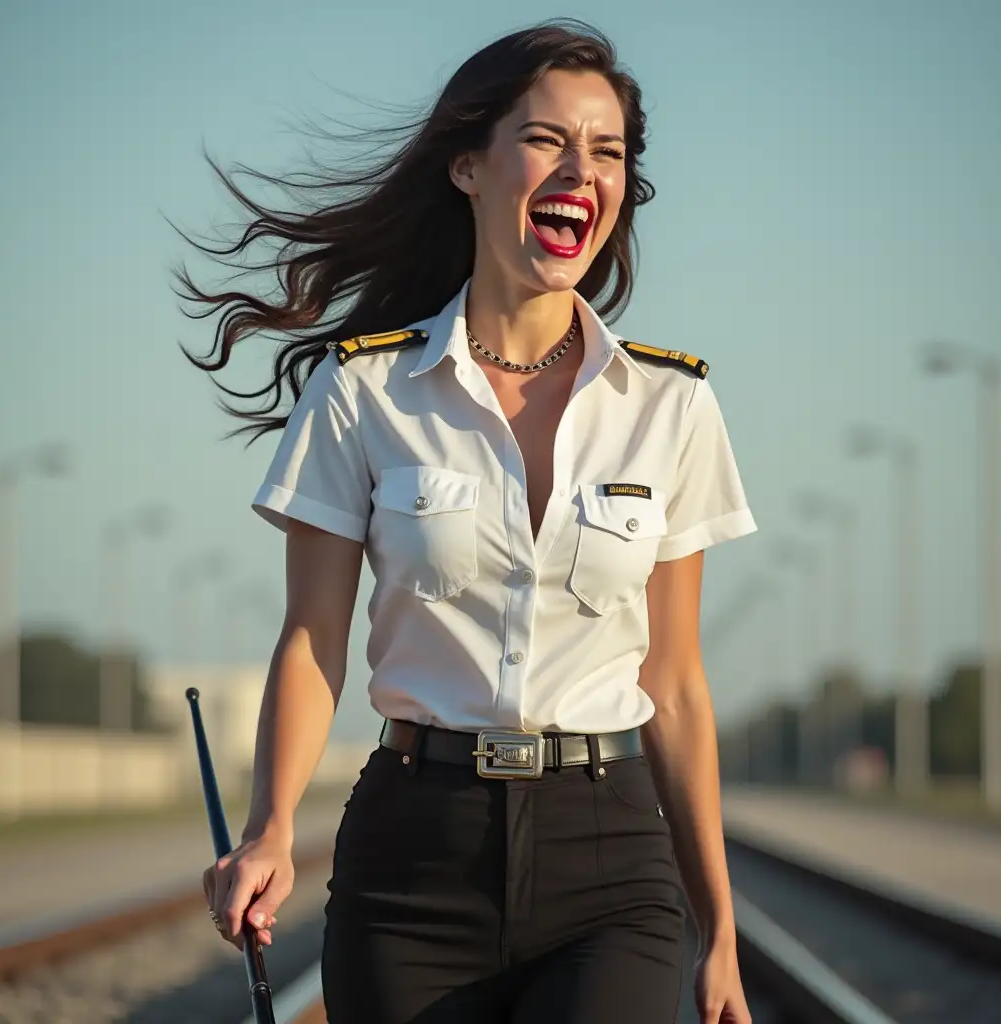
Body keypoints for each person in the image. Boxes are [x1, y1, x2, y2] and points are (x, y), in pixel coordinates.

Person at [184, 18, 756, 1024]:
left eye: (608, 150)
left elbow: (672, 682)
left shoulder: (673, 407)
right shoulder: (361, 388)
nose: (582, 167)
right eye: (545, 139)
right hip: (414, 851)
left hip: (609, 858)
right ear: (467, 167)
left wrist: (720, 934)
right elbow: (313, 640)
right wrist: (271, 830)